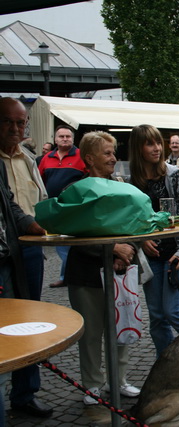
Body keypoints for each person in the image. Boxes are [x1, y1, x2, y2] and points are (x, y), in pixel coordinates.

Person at [66, 131, 141, 404]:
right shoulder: (76, 190)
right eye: (107, 153)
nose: (114, 158)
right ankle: (93, 386)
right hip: (86, 275)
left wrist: (126, 250)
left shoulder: (121, 184)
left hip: (119, 272)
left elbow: (134, 221)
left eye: (113, 152)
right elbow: (74, 235)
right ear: (89, 158)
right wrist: (111, 250)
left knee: (121, 328)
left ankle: (118, 380)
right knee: (91, 333)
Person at [0, 98, 52, 418]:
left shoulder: (29, 160)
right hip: (5, 252)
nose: (16, 129)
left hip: (29, 247)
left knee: (29, 321)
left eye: (21, 123)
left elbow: (39, 202)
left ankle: (25, 392)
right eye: (9, 122)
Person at [128, 125, 179, 356]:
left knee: (174, 312)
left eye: (159, 142)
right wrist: (140, 241)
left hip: (177, 253)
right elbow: (130, 220)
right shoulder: (131, 180)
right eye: (150, 143)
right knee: (157, 316)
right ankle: (167, 364)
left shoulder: (174, 174)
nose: (157, 148)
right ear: (138, 147)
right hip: (151, 256)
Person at [38, 125, 86, 288]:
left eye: (68, 136)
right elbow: (40, 180)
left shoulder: (81, 156)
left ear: (73, 139)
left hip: (74, 208)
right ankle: (67, 275)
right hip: (54, 209)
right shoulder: (47, 158)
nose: (65, 139)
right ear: (55, 139)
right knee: (60, 243)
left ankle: (70, 275)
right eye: (61, 136)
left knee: (72, 243)